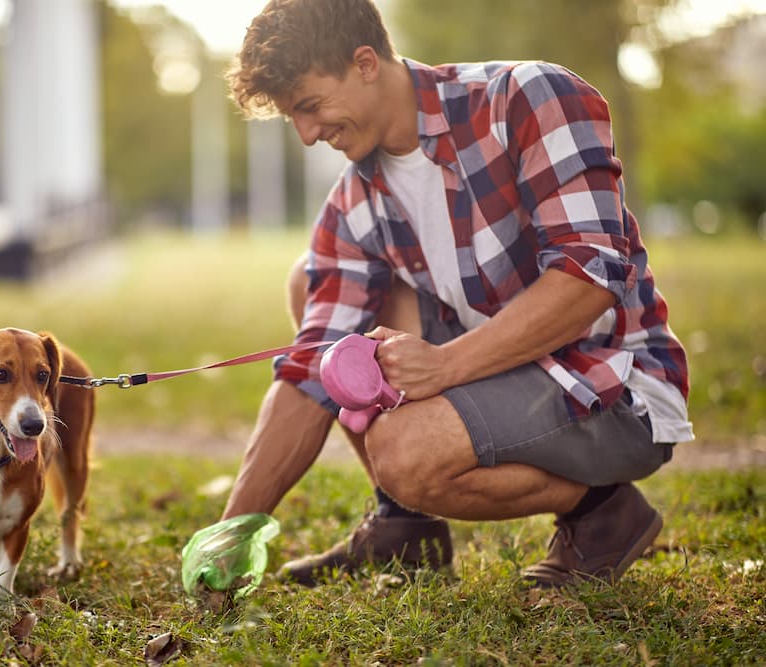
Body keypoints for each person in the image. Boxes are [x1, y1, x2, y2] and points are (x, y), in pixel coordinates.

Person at [221, 0, 693, 588]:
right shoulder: (355, 199)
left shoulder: (524, 98)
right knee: (309, 281)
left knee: (405, 453)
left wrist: (445, 367)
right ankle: (405, 527)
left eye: (311, 107)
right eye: (295, 117)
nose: (308, 135)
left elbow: (589, 277)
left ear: (365, 63)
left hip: (612, 382)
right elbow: (313, 368)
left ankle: (603, 514)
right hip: (498, 368)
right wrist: (230, 533)